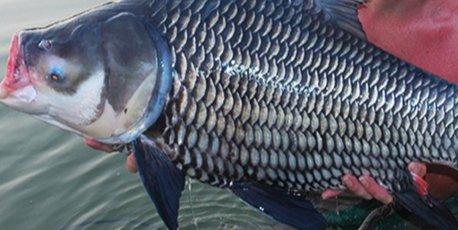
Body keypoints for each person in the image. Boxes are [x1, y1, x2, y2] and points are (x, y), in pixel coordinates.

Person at [85, 0, 458, 207]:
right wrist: (160, 134)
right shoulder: (269, 10)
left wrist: (412, 184)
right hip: (311, 195)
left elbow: (441, 181)